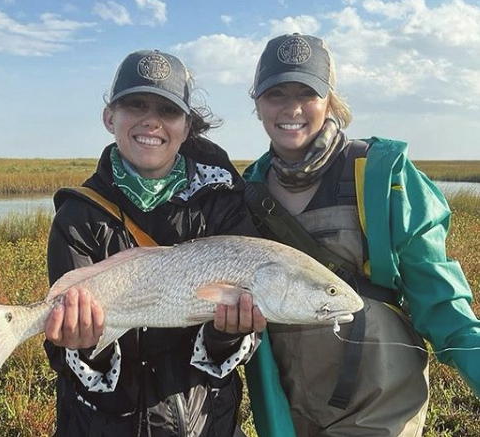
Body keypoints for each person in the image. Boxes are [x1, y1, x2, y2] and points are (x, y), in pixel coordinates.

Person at [243, 33, 480, 437]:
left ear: (330, 99)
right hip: (293, 409)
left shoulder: (381, 176)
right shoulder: (246, 191)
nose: (291, 108)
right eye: (275, 93)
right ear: (257, 102)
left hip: (382, 408)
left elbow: (440, 300)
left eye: (307, 92)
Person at [43, 49, 266, 437]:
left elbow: (238, 349)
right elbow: (66, 357)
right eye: (135, 104)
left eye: (168, 110)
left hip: (203, 424)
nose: (151, 121)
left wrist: (225, 336)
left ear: (186, 125)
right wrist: (81, 348)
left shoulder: (222, 205)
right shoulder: (78, 217)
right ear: (109, 117)